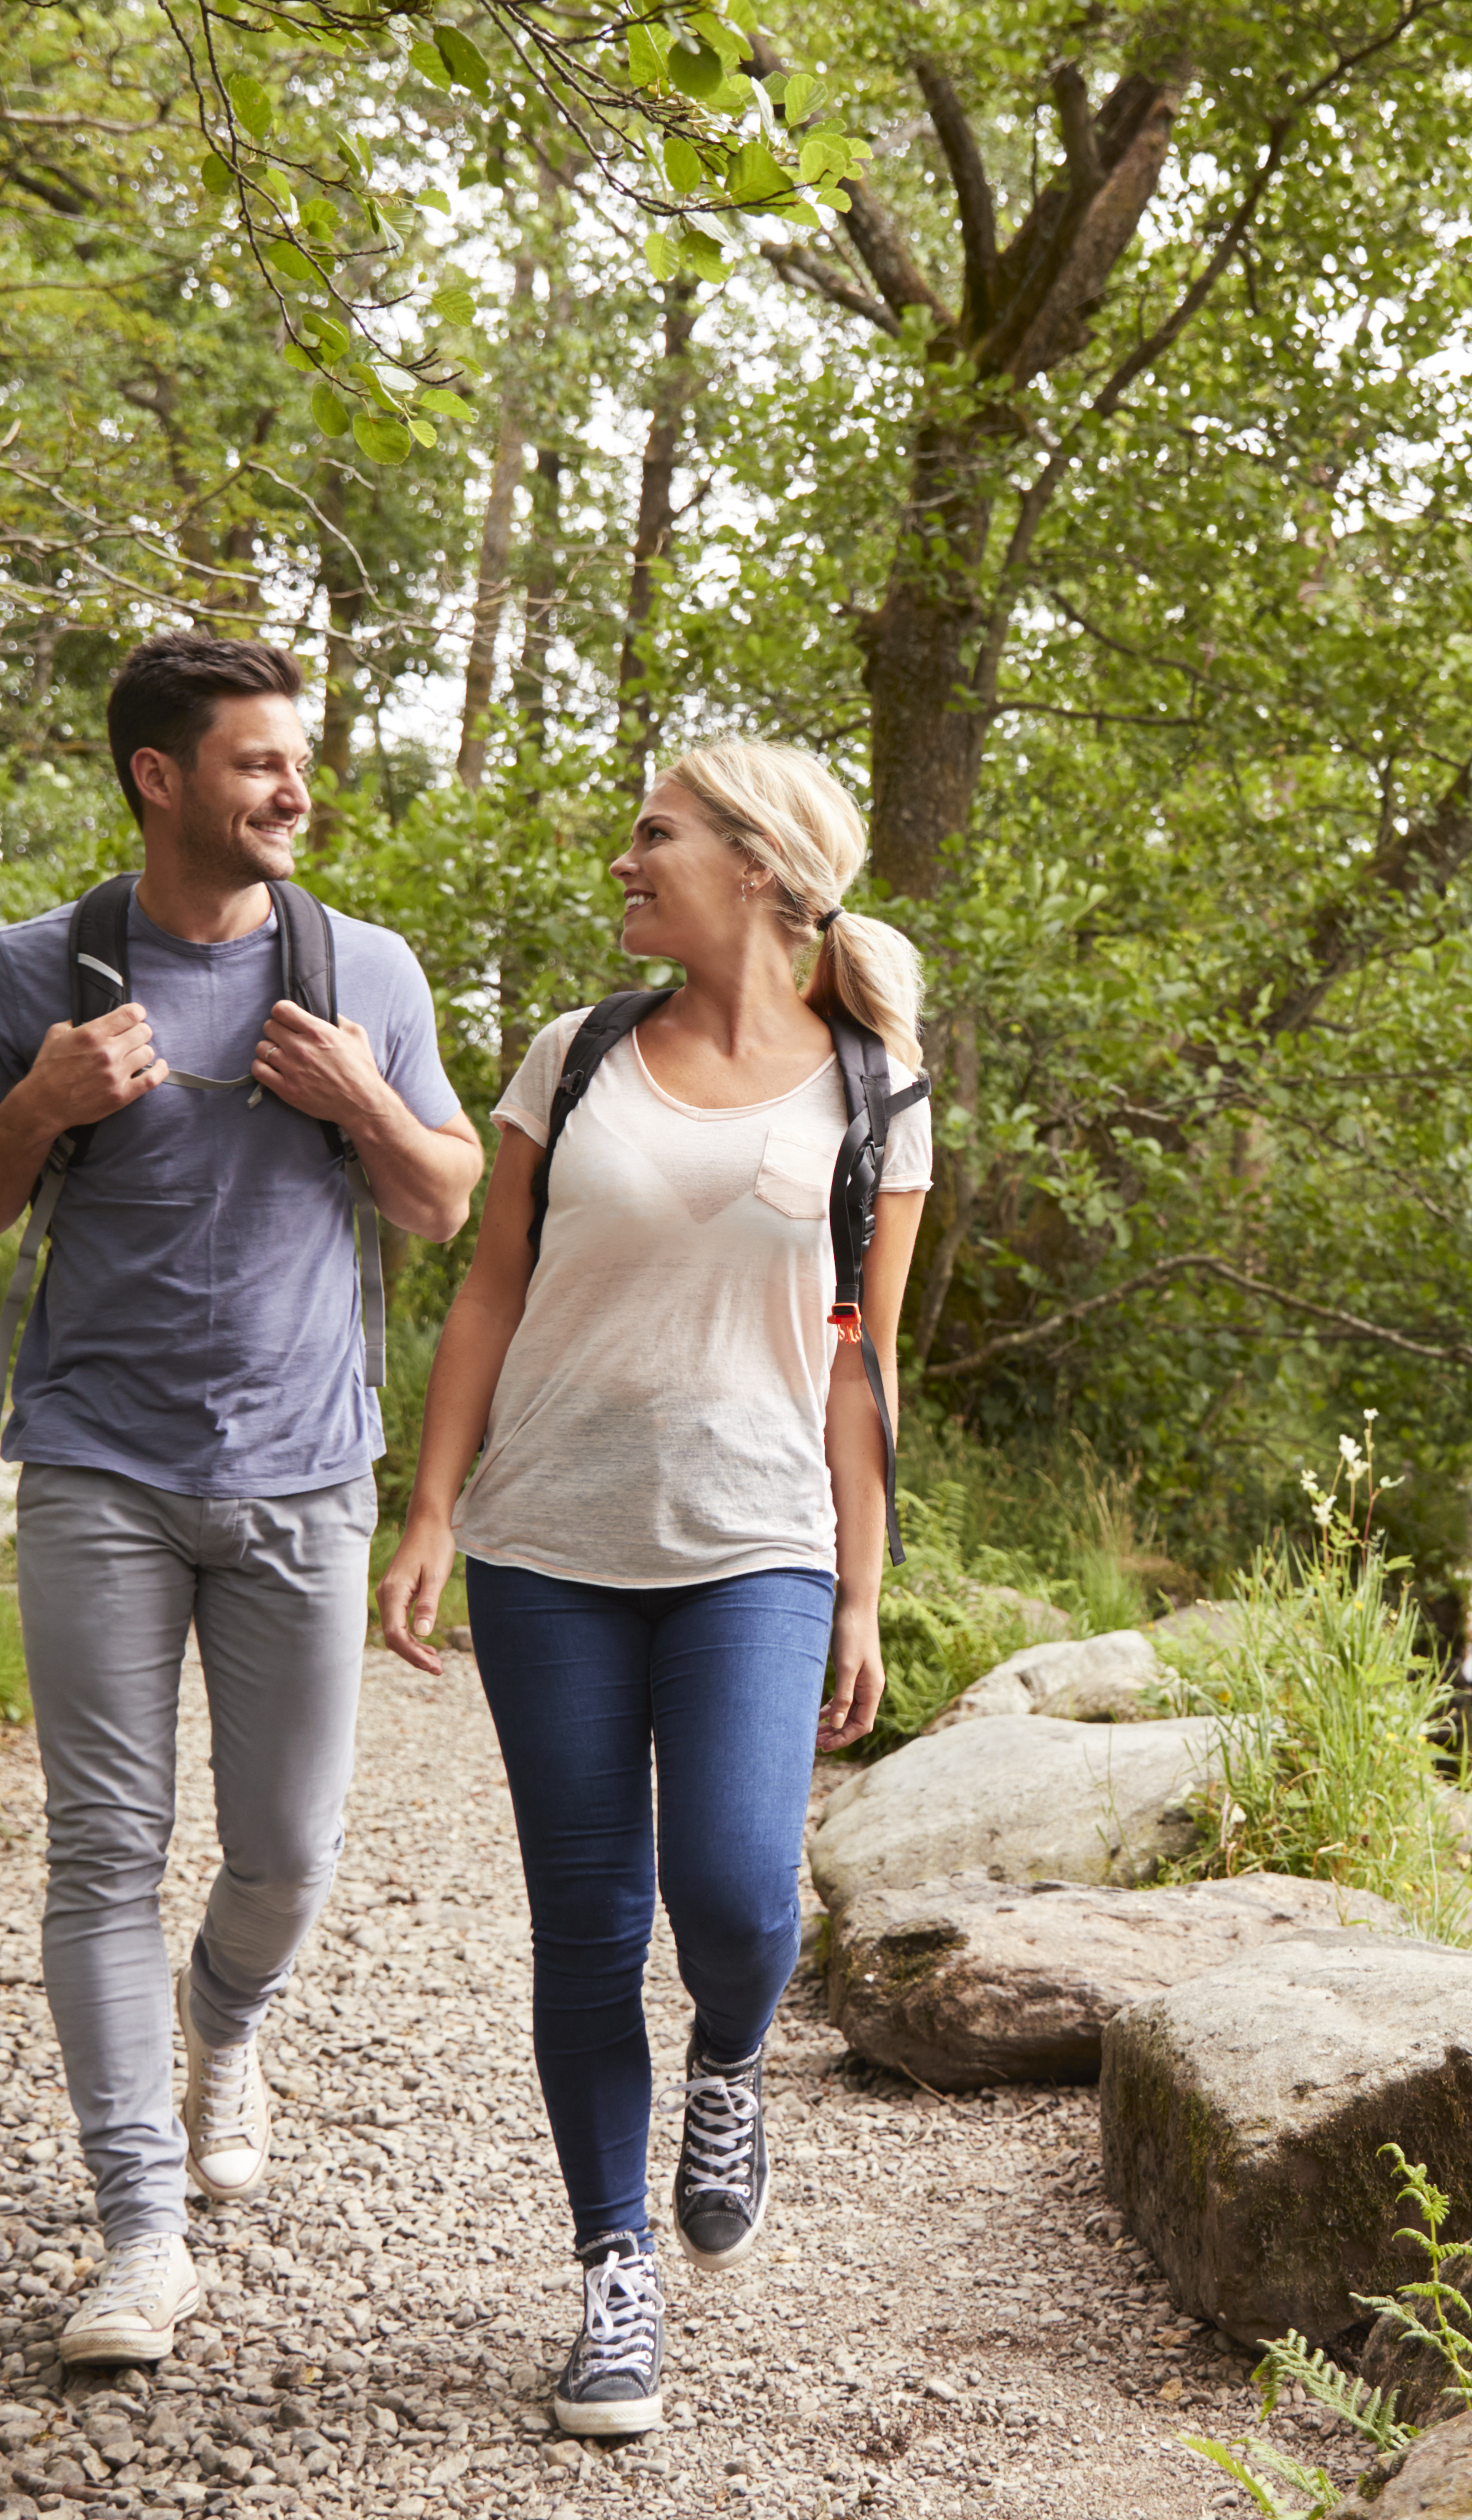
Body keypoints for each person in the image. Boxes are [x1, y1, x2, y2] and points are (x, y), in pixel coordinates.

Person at [0, 633, 483, 2365]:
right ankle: (138, 2233)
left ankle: (227, 2014)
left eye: (298, 759)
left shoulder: (362, 964)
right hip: (97, 1467)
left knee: (287, 1853)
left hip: (307, 1475)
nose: (296, 789)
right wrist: (39, 1103)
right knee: (102, 1848)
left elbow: (446, 1203)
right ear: (159, 778)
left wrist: (366, 1096)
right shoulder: (35, 970)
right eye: (257, 763)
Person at [371, 736, 929, 2437]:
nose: (624, 859)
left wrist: (858, 1589)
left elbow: (865, 1364)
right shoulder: (575, 1051)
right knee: (591, 1924)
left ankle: (730, 2067)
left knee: (746, 1894)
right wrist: (435, 1506)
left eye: (653, 834)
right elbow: (488, 1289)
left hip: (758, 1541)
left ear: (759, 869)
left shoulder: (876, 1087)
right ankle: (612, 2271)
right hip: (551, 1544)